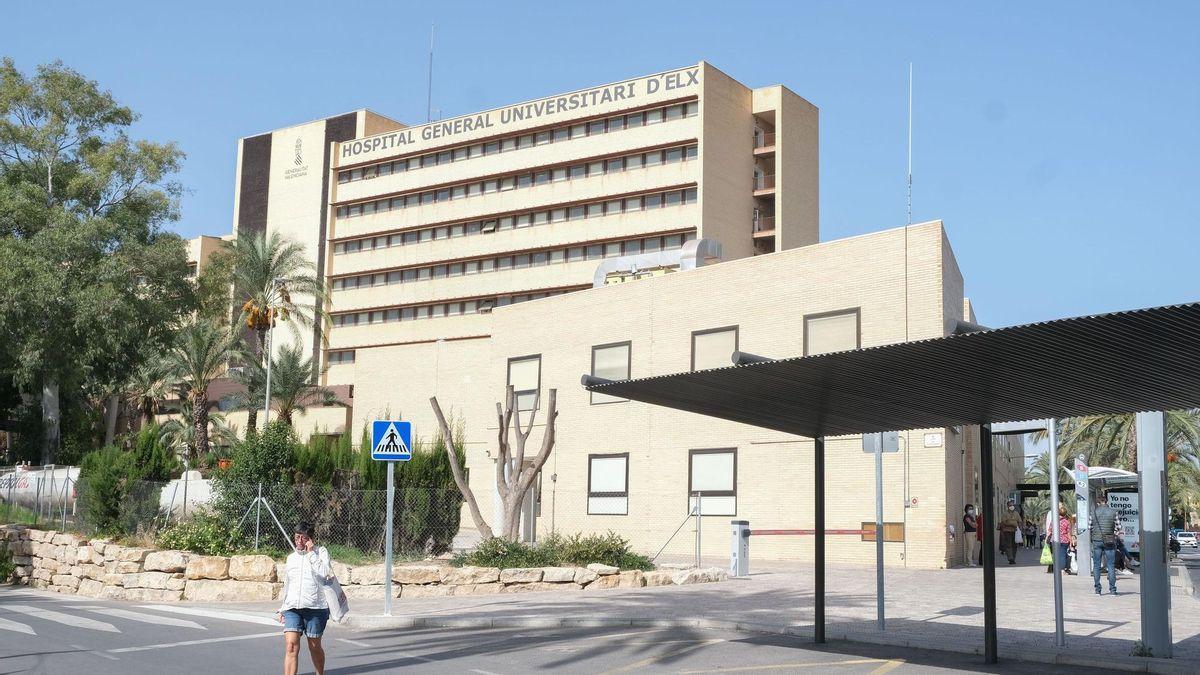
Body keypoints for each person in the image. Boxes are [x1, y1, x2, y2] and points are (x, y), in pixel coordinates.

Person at [276, 522, 333, 675]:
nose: (300, 541)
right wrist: (282, 608)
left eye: (304, 538)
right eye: (297, 537)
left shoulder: (321, 552)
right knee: (291, 646)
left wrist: (311, 554)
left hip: (315, 608)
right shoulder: (291, 558)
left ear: (311, 539)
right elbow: (288, 584)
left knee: (314, 646)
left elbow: (325, 572)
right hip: (292, 608)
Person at [1090, 491, 1120, 595]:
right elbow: (1119, 527)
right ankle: (1112, 590)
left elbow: (1089, 527)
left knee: (1097, 565)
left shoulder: (1093, 512)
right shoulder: (1114, 512)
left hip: (1097, 540)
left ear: (1098, 503)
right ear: (1106, 502)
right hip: (1109, 541)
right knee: (1111, 565)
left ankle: (1098, 590)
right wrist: (1113, 533)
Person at [997, 500, 1021, 564]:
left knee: (1014, 545)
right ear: (1007, 506)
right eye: (1010, 505)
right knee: (1009, 545)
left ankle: (1013, 558)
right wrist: (1011, 524)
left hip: (1015, 531)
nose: (1012, 506)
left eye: (1012, 505)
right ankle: (1010, 558)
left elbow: (1019, 521)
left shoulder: (1016, 513)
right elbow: (1004, 522)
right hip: (1007, 531)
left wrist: (1019, 527)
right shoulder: (1005, 514)